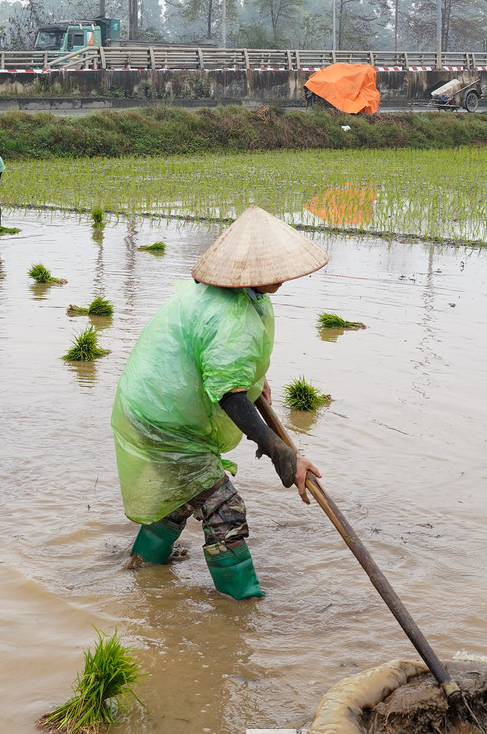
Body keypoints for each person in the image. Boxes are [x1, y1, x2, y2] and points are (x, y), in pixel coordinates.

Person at [111, 206, 328, 600]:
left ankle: (142, 567)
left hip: (155, 405)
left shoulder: (243, 295)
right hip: (163, 421)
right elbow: (230, 396)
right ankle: (241, 608)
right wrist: (279, 450)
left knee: (179, 495)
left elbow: (225, 361)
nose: (281, 276)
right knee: (224, 510)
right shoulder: (229, 313)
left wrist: (253, 380)